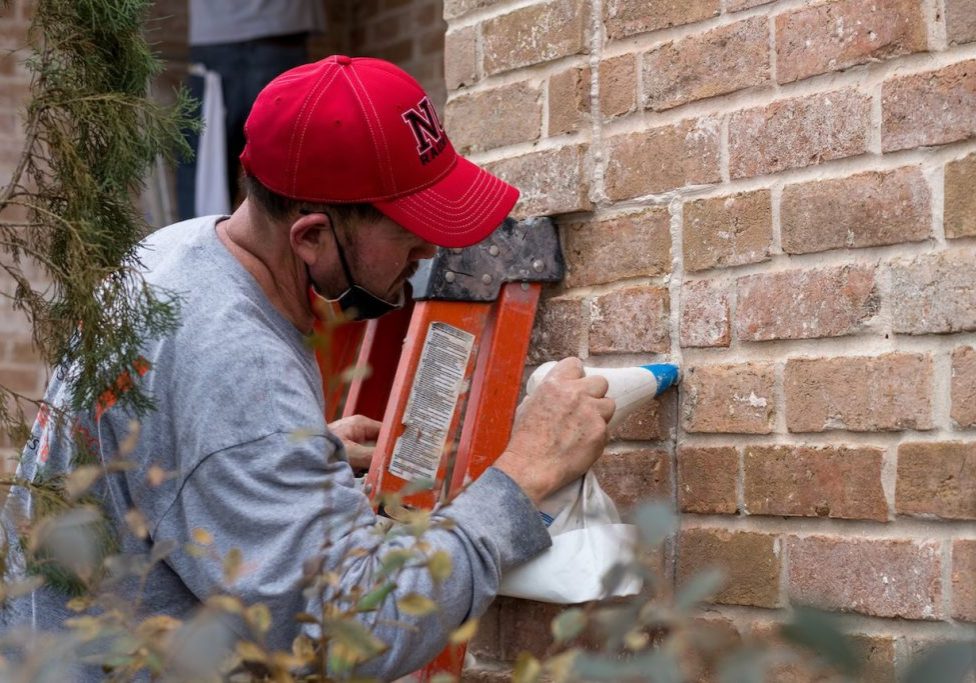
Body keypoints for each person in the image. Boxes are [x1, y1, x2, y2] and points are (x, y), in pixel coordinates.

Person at [4, 56, 614, 680]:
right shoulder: (237, 363)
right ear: (311, 237)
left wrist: (288, 457)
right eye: (409, 228)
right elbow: (353, 633)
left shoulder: (171, 254)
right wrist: (525, 474)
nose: (430, 248)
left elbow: (164, 445)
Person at [177, 0, 325, 220]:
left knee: (205, 173)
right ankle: (297, 247)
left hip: (219, 33)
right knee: (287, 164)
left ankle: (202, 248)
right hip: (279, 31)